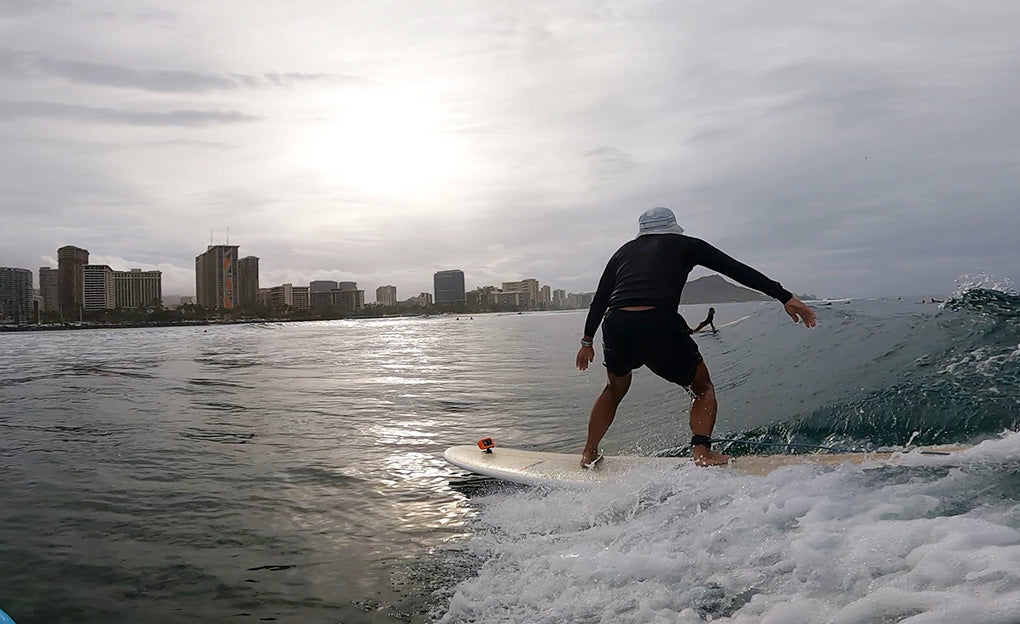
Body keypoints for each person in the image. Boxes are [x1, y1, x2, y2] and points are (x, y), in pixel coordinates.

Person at [575, 207, 816, 468]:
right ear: (674, 226)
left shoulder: (622, 252)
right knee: (701, 388)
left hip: (617, 324)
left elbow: (600, 298)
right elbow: (737, 270)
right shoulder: (686, 245)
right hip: (659, 322)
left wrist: (586, 341)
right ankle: (702, 452)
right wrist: (785, 296)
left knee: (614, 389)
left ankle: (589, 453)